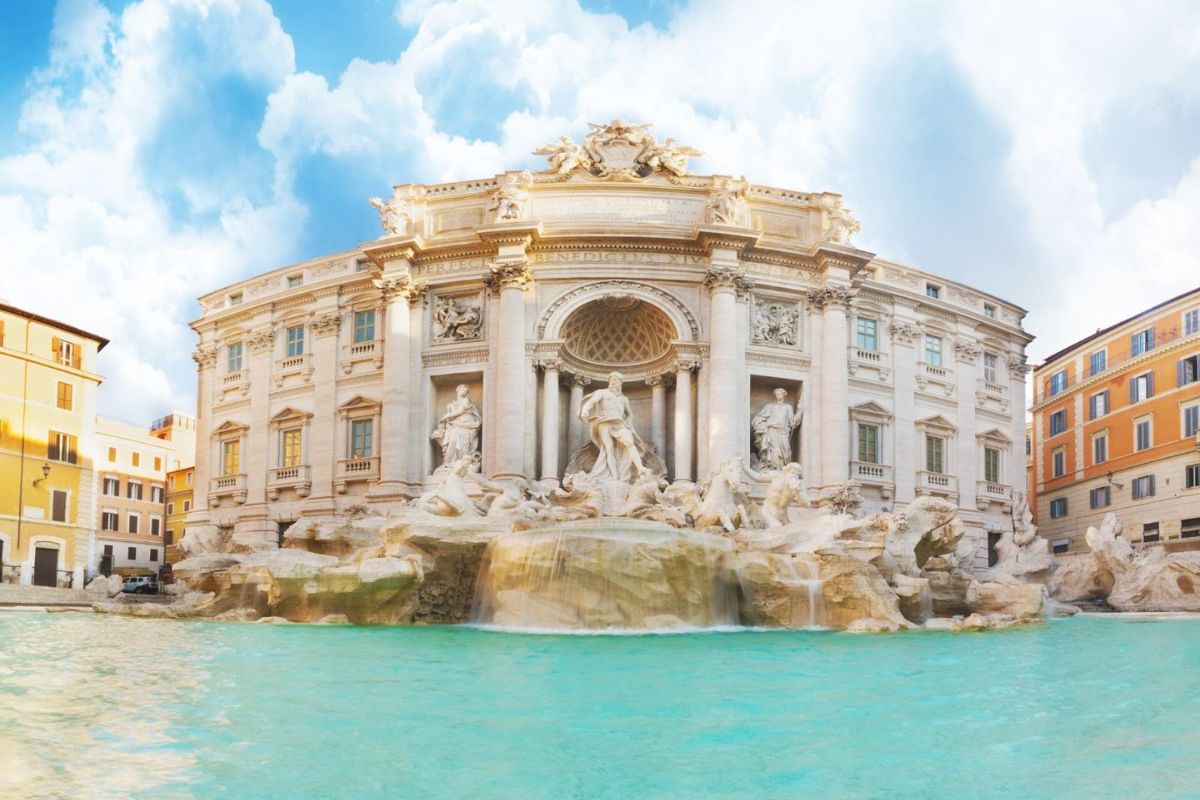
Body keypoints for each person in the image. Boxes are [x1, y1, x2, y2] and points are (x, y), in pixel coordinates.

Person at [579, 372, 647, 483]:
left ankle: (640, 468)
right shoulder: (603, 393)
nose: (614, 382)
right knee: (609, 449)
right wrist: (585, 410)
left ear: (621, 383)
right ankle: (615, 477)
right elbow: (591, 402)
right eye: (613, 380)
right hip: (604, 422)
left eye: (617, 380)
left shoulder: (624, 399)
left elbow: (629, 414)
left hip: (619, 423)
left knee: (630, 443)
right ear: (609, 382)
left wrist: (628, 423)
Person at [751, 387, 802, 471]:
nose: (778, 396)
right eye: (777, 394)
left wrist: (798, 414)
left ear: (783, 395)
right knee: (773, 449)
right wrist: (761, 425)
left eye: (780, 394)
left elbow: (791, 422)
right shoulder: (770, 406)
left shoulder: (788, 407)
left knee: (786, 450)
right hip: (772, 430)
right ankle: (774, 468)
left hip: (783, 431)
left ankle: (784, 468)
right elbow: (759, 417)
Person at [431, 385, 481, 465]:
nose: (464, 392)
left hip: (465, 423)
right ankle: (448, 463)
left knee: (463, 444)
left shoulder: (466, 400)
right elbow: (448, 414)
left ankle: (463, 464)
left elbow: (460, 410)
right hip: (453, 424)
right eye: (462, 390)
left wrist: (446, 417)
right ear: (457, 390)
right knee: (452, 441)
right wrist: (443, 423)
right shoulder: (451, 403)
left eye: (466, 392)